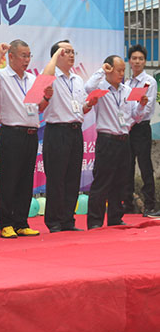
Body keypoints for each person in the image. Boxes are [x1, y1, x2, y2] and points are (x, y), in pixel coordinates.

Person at [0, 40, 52, 239]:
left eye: (29, 55)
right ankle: (5, 223)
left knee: (25, 180)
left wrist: (47, 98)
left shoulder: (32, 79)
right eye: (23, 55)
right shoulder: (2, 76)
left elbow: (38, 108)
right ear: (11, 56)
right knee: (9, 180)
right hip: (11, 134)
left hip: (31, 134)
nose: (27, 60)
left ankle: (21, 222)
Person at [84, 55, 148, 229]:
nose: (121, 73)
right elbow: (88, 88)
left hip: (124, 140)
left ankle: (115, 217)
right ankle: (95, 221)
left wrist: (141, 105)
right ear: (109, 69)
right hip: (107, 139)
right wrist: (101, 70)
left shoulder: (127, 90)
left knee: (120, 181)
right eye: (118, 70)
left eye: (123, 70)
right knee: (102, 181)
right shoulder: (100, 88)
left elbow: (136, 116)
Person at [42, 40, 97, 232]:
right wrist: (55, 56)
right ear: (56, 55)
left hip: (75, 131)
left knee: (72, 178)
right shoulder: (51, 75)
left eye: (73, 52)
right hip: (57, 131)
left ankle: (68, 220)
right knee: (56, 178)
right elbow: (45, 80)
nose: (72, 55)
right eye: (66, 52)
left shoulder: (77, 79)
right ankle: (54, 221)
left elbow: (80, 108)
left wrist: (89, 105)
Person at [123, 44, 157, 216]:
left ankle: (151, 205)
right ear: (129, 61)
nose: (137, 62)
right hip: (127, 129)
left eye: (140, 59)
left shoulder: (149, 82)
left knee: (145, 166)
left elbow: (146, 108)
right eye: (134, 58)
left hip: (141, 128)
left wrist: (131, 121)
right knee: (127, 166)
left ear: (145, 62)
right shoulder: (127, 83)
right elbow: (125, 107)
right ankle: (128, 204)